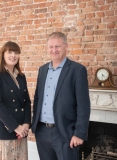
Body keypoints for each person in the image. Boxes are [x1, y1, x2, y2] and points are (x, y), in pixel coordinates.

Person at [31, 32, 91, 160]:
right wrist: (35, 124)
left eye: (58, 46)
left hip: (65, 132)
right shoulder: (42, 70)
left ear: (66, 46)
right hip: (42, 131)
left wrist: (79, 133)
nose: (54, 50)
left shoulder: (77, 70)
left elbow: (83, 105)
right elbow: (37, 99)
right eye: (51, 47)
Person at [0, 41, 31, 160]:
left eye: (16, 52)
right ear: (2, 54)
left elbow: (26, 102)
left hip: (20, 133)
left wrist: (25, 125)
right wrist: (16, 127)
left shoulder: (21, 77)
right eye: (9, 52)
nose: (13, 55)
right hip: (2, 131)